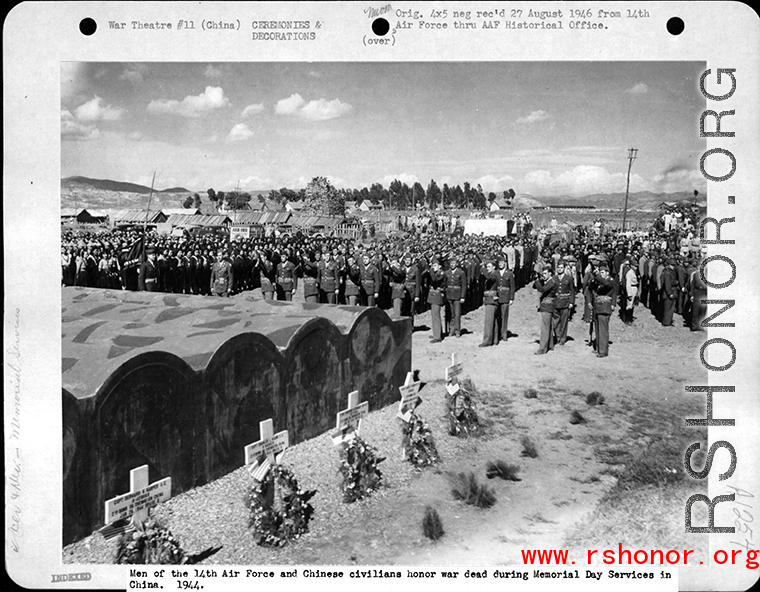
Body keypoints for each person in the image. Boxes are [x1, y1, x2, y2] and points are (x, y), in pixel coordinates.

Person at [591, 263, 615, 357]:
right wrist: (594, 278)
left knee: (603, 329)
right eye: (600, 272)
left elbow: (607, 286)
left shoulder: (610, 281)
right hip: (598, 307)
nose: (601, 274)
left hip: (604, 307)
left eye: (602, 272)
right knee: (597, 328)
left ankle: (603, 350)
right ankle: (598, 347)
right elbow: (590, 287)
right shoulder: (599, 281)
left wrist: (597, 276)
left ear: (607, 273)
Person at [533, 265, 557, 355]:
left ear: (550, 273)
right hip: (546, 305)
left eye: (545, 273)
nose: (544, 275)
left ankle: (542, 349)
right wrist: (539, 279)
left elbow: (542, 289)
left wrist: (537, 280)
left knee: (545, 327)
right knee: (548, 326)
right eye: (543, 273)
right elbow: (534, 287)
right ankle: (550, 345)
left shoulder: (552, 282)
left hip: (547, 306)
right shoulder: (547, 281)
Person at [552, 260, 575, 345]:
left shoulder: (569, 278)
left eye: (561, 268)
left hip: (565, 302)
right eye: (558, 268)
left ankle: (562, 338)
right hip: (556, 302)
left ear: (564, 268)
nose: (559, 269)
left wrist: (571, 302)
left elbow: (572, 291)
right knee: (556, 321)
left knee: (564, 321)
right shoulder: (554, 278)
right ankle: (557, 336)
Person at [445, 255, 467, 337]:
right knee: (451, 314)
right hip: (449, 295)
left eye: (454, 263)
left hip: (457, 296)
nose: (452, 265)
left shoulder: (461, 272)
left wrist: (462, 297)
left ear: (457, 264)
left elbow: (464, 285)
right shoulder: (447, 272)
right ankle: (451, 330)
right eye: (451, 263)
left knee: (457, 314)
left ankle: (457, 331)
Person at [479, 260, 499, 347]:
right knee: (493, 321)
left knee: (489, 321)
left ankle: (487, 340)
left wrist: (483, 269)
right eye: (487, 267)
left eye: (489, 267)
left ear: (494, 267)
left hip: (491, 299)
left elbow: (489, 279)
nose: (487, 268)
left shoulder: (494, 274)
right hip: (489, 299)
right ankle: (494, 339)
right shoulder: (492, 274)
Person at [495, 257, 515, 342]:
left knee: (504, 316)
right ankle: (498, 334)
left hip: (506, 296)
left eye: (502, 263)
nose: (500, 264)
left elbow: (512, 286)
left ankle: (504, 334)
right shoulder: (496, 273)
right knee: (498, 316)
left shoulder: (509, 273)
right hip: (497, 296)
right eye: (499, 263)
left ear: (505, 264)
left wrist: (511, 298)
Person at [426, 258, 446, 343]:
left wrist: (430, 271)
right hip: (433, 295)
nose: (433, 267)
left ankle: (437, 337)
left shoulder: (441, 273)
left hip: (437, 295)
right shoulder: (434, 273)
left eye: (435, 265)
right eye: (432, 265)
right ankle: (437, 333)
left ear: (440, 266)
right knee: (434, 315)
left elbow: (435, 280)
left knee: (436, 316)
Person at [660, 259, 678, 326]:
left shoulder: (670, 272)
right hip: (669, 292)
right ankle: (666, 322)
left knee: (671, 307)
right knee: (668, 308)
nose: (673, 266)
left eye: (674, 265)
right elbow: (667, 284)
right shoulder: (667, 273)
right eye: (672, 265)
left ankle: (668, 321)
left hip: (672, 290)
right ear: (668, 265)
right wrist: (670, 293)